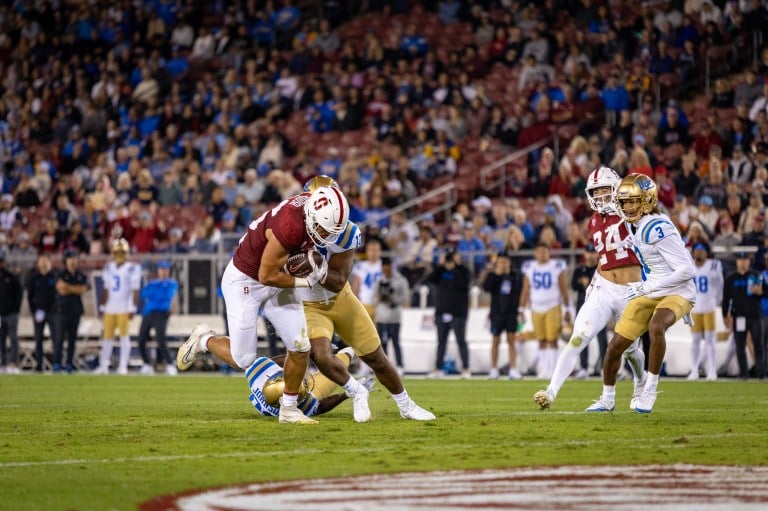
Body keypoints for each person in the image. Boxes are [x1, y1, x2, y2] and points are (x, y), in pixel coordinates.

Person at [176, 186, 348, 425]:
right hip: (247, 281)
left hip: (277, 276)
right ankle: (203, 339)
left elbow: (323, 185)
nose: (326, 235)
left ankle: (288, 410)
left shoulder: (315, 204)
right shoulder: (290, 225)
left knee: (300, 347)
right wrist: (305, 280)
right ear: (312, 215)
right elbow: (266, 275)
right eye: (323, 228)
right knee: (243, 359)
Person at [295, 176, 434, 422]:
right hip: (309, 305)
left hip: (341, 298)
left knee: (376, 357)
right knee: (322, 355)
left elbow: (338, 281)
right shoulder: (292, 229)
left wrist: (315, 268)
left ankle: (406, 405)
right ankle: (356, 391)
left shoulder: (346, 230)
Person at [534, 167, 647, 410]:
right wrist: (596, 277)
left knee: (629, 349)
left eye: (605, 190)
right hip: (603, 288)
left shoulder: (633, 212)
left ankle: (640, 380)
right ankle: (551, 391)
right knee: (578, 338)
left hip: (631, 290)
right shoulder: (594, 221)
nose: (601, 196)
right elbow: (606, 256)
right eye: (596, 192)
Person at [588, 174, 696, 413]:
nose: (627, 207)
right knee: (616, 345)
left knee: (656, 327)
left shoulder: (657, 226)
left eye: (633, 201)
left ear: (648, 200)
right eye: (624, 202)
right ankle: (607, 398)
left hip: (677, 290)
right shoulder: (629, 223)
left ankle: (650, 389)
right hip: (652, 289)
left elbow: (687, 269)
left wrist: (648, 286)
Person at [245, 348, 375, 418]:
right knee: (337, 366)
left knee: (301, 356)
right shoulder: (304, 404)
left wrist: (305, 358)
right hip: (311, 391)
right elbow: (320, 407)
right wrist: (346, 394)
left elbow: (270, 363)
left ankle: (326, 350)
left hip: (277, 377)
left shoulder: (258, 375)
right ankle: (349, 350)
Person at [519, 242, 572, 379]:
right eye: (539, 251)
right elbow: (525, 290)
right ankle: (543, 370)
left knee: (552, 339)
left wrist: (567, 307)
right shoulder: (530, 267)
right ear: (535, 253)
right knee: (541, 339)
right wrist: (521, 308)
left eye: (544, 251)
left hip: (552, 305)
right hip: (536, 307)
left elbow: (564, 289)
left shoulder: (556, 266)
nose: (542, 254)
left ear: (549, 252)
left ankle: (554, 370)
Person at [94, 238, 142, 375]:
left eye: (121, 251)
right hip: (110, 307)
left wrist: (132, 308)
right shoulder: (109, 267)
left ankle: (122, 366)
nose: (119, 254)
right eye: (117, 251)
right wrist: (102, 306)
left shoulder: (133, 267)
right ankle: (103, 365)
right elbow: (106, 288)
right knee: (107, 337)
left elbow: (135, 290)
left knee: (124, 337)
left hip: (123, 307)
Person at [425, 248, 472, 378]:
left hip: (458, 313)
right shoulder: (441, 271)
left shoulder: (464, 271)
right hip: (442, 312)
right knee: (441, 342)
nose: (451, 260)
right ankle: (438, 368)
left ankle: (466, 368)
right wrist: (441, 266)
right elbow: (429, 279)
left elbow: (464, 284)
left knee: (461, 341)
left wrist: (455, 268)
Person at [722, 251, 765, 379]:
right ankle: (744, 373)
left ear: (749, 261)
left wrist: (761, 291)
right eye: (740, 260)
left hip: (755, 316)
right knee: (740, 345)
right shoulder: (731, 279)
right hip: (739, 316)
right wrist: (725, 315)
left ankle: (761, 373)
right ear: (737, 262)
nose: (742, 262)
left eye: (745, 259)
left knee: (758, 344)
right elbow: (726, 299)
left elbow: (766, 291)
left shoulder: (756, 275)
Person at [482, 251, 523, 379]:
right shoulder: (493, 275)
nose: (503, 264)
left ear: (509, 262)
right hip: (496, 313)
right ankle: (494, 369)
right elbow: (486, 288)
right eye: (500, 262)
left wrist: (520, 311)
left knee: (511, 340)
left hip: (511, 313)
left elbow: (519, 290)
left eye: (505, 261)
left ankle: (513, 368)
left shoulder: (515, 275)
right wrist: (496, 275)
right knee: (495, 340)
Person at [688, 242, 723, 381]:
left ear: (707, 253)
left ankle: (712, 369)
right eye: (697, 250)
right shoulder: (689, 265)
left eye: (702, 250)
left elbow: (720, 284)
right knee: (695, 340)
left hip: (709, 307)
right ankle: (694, 370)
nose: (699, 253)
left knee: (710, 339)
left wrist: (717, 300)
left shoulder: (713, 265)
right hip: (695, 308)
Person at [137, 260, 179, 376]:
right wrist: (157, 291)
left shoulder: (171, 283)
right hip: (148, 313)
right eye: (161, 270)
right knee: (141, 339)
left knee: (161, 341)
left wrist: (155, 292)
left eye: (166, 270)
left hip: (161, 313)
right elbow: (143, 293)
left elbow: (165, 296)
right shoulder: (153, 283)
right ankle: (146, 364)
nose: (163, 272)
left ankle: (171, 365)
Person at [52, 249, 88, 373]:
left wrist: (69, 288)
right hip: (61, 310)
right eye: (70, 258)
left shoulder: (81, 275)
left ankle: (69, 363)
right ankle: (56, 363)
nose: (72, 261)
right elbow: (61, 289)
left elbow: (82, 289)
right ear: (65, 261)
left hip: (75, 310)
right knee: (59, 338)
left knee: (72, 339)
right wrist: (75, 288)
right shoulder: (59, 274)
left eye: (74, 258)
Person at [373, 257, 409, 376]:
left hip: (394, 316)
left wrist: (393, 298)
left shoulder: (400, 280)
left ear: (391, 267)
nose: (386, 270)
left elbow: (405, 298)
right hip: (382, 316)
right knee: (382, 344)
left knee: (395, 342)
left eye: (387, 267)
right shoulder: (379, 281)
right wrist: (380, 296)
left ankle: (399, 366)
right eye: (384, 267)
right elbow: (374, 299)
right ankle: (385, 366)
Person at [26, 254, 58, 372]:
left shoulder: (55, 276)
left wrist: (54, 309)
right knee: (38, 339)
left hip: (52, 313)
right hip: (39, 312)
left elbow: (58, 295)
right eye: (41, 261)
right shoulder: (34, 278)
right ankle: (39, 365)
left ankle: (56, 364)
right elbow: (30, 296)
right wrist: (34, 311)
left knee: (56, 339)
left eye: (46, 261)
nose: (43, 263)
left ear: (50, 262)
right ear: (38, 263)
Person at [0, 248, 23, 374]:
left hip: (11, 314)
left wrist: (15, 310)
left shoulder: (12, 278)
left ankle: (14, 363)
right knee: (1, 340)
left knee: (13, 338)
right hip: (0, 315)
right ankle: (2, 363)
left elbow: (18, 296)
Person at [351, 237, 384, 319]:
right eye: (371, 250)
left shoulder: (384, 266)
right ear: (367, 252)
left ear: (380, 252)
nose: (374, 253)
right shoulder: (360, 266)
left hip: (381, 305)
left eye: (376, 250)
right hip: (364, 303)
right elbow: (356, 287)